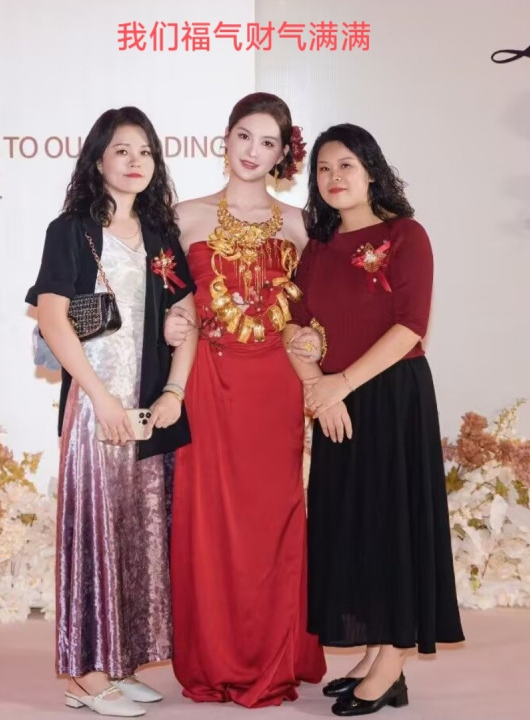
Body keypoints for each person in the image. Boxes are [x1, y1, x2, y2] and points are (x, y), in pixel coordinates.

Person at [284, 123, 465, 716]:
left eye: (346, 166)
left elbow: (410, 326)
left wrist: (340, 383)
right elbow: (294, 326)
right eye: (323, 169)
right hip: (337, 404)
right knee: (353, 524)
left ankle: (393, 659)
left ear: (371, 171)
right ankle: (374, 651)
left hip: (391, 397)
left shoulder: (405, 235)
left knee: (392, 523)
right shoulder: (319, 246)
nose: (334, 178)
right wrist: (319, 389)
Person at [25, 107, 198, 717]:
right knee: (93, 537)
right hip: (96, 409)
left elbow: (187, 318)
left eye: (145, 151)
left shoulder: (159, 235)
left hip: (148, 411)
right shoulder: (71, 230)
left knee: (138, 535)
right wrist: (100, 398)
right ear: (98, 159)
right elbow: (53, 319)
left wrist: (174, 391)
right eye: (122, 150)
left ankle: (120, 664)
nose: (135, 162)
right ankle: (86, 676)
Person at [163, 92, 326, 708]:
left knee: (273, 519)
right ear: (226, 138)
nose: (253, 151)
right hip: (208, 382)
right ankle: (214, 657)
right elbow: (161, 301)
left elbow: (316, 311)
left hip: (275, 389)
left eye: (268, 142)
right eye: (244, 136)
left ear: (283, 154)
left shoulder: (300, 226)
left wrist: (316, 340)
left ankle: (272, 656)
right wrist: (169, 325)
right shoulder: (184, 217)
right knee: (209, 521)